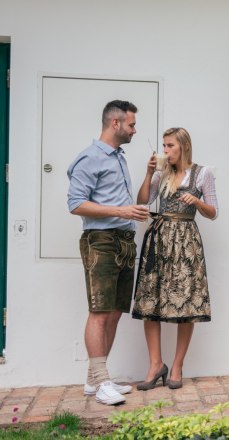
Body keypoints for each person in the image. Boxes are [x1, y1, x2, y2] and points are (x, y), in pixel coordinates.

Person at [67, 100, 147, 406]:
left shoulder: (118, 157)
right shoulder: (89, 158)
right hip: (100, 241)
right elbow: (75, 204)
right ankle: (101, 383)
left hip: (124, 241)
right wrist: (121, 210)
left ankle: (94, 380)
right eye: (131, 124)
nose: (134, 130)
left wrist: (129, 214)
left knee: (114, 312)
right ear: (115, 124)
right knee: (99, 311)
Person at [132, 127, 218, 390]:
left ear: (183, 147)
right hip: (158, 240)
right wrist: (148, 174)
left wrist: (197, 202)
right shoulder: (161, 173)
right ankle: (155, 364)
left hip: (186, 243)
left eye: (170, 146)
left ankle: (177, 365)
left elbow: (214, 212)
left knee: (187, 304)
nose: (165, 151)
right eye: (164, 145)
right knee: (150, 302)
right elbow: (143, 202)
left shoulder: (203, 173)